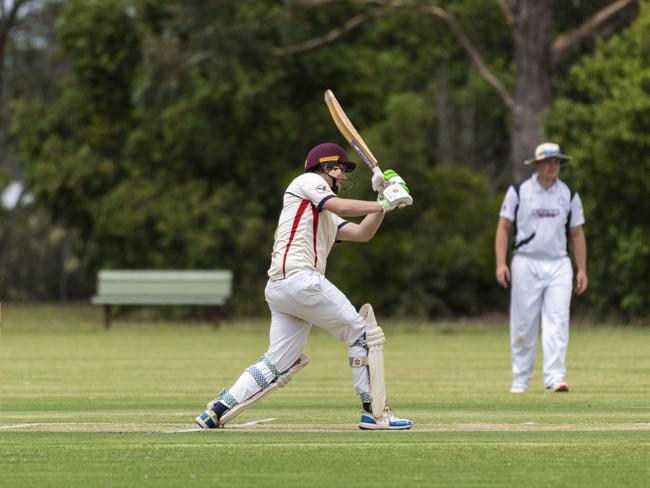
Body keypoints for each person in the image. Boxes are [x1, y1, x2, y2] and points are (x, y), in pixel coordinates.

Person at [195, 142, 414, 429]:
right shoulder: (307, 181)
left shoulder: (323, 213)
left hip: (281, 289)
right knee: (360, 331)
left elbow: (362, 233)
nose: (344, 177)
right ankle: (374, 414)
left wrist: (382, 199)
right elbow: (340, 204)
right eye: (342, 170)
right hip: (301, 280)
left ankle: (218, 410)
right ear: (327, 167)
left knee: (276, 363)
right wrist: (385, 201)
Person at [495, 142, 588, 393]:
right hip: (526, 261)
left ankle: (555, 378)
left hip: (558, 263)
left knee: (557, 321)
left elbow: (577, 234)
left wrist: (581, 270)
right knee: (523, 324)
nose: (552, 165)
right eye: (547, 161)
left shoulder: (568, 194)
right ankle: (520, 380)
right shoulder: (519, 191)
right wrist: (501, 263)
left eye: (556, 161)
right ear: (537, 164)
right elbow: (503, 228)